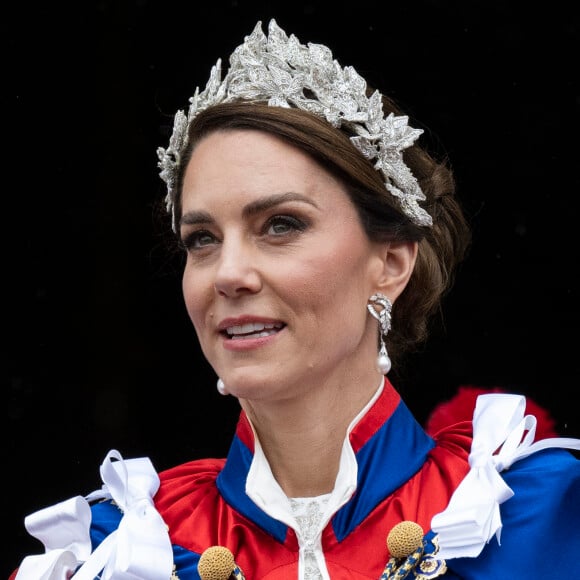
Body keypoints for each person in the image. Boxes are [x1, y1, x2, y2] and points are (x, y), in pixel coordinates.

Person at [10, 18, 580, 580]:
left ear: (390, 263)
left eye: (280, 225)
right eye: (202, 240)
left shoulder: (533, 515)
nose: (228, 274)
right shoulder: (119, 552)